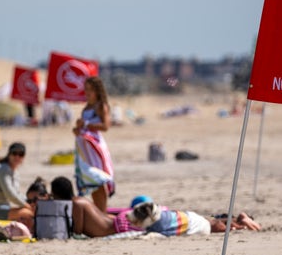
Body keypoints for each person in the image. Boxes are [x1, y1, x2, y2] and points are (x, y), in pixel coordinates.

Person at [50, 176, 260, 238]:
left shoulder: (76, 203)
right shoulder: (82, 200)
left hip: (116, 227)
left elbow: (77, 230)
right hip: (116, 223)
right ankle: (234, 220)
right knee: (202, 221)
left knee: (207, 225)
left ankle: (236, 223)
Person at [72, 76, 115, 213]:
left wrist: (85, 124)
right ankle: (99, 212)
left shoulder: (101, 106)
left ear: (97, 91)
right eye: (86, 90)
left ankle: (102, 211)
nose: (87, 93)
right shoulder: (86, 108)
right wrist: (78, 130)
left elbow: (106, 126)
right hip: (85, 149)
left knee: (98, 178)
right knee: (91, 180)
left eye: (90, 90)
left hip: (96, 148)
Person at [0, 142, 29, 220]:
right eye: (14, 153)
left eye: (21, 154)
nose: (17, 157)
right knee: (27, 213)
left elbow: (17, 193)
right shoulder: (4, 170)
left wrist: (28, 201)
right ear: (9, 155)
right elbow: (10, 194)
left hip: (4, 206)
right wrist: (27, 205)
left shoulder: (14, 172)